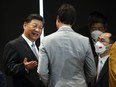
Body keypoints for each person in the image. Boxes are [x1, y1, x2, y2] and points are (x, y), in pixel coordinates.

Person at [37, 4, 96, 87]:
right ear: (73, 21)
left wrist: (51, 84)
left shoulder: (46, 41)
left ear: (57, 18)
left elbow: (42, 72)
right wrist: (81, 81)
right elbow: (92, 72)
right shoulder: (84, 41)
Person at [3, 14, 45, 87]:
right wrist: (24, 67)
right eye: (34, 26)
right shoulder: (13, 45)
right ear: (25, 25)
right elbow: (8, 69)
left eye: (40, 28)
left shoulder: (37, 47)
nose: (37, 30)